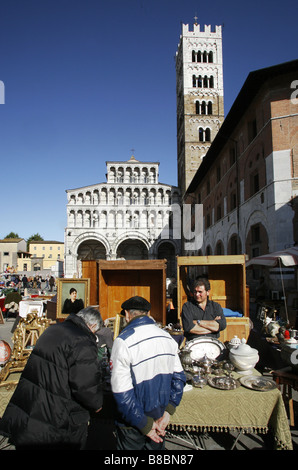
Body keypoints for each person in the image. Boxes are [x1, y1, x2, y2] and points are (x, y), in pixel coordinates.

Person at [0, 307, 104, 450]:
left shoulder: (54, 329)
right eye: (95, 332)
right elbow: (85, 385)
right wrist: (97, 404)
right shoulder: (82, 340)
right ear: (92, 326)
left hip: (35, 403)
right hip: (57, 413)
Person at [110, 295, 186, 451]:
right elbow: (179, 379)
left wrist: (144, 424)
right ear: (147, 313)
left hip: (132, 424)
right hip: (159, 418)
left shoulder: (123, 341)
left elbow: (121, 393)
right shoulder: (167, 337)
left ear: (127, 314)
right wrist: (168, 411)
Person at [181, 277, 226, 342]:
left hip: (213, 343)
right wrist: (213, 328)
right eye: (195, 292)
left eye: (200, 292)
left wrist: (198, 322)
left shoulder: (216, 306)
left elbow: (222, 325)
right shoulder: (187, 306)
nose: (197, 294)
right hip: (193, 343)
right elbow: (189, 328)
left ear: (208, 292)